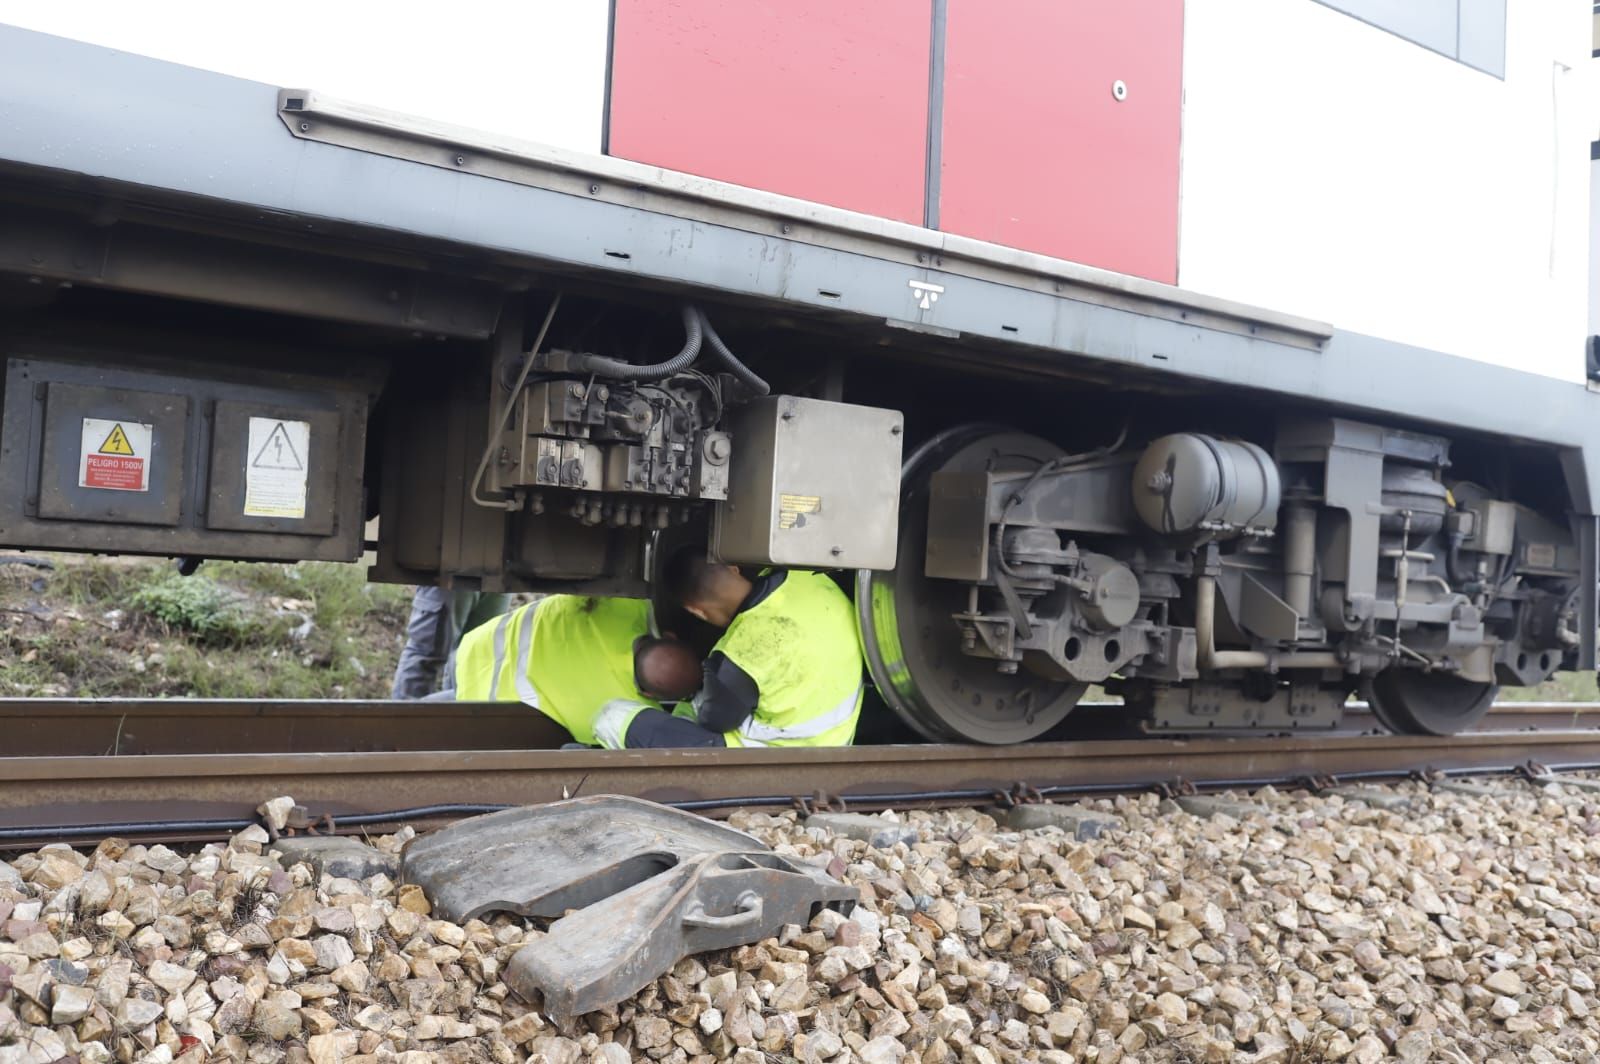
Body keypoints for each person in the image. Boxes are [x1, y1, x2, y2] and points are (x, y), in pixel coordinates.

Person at [592, 551, 863, 749]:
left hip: (786, 755)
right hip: (837, 734)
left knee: (613, 717)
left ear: (695, 611)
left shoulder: (740, 656)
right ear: (734, 568)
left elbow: (716, 721)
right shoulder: (803, 577)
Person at [453, 594, 701, 747]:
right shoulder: (616, 709)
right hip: (482, 687)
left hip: (480, 641)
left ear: (669, 636)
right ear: (649, 694)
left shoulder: (629, 605)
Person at [391, 586, 511, 699]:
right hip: (451, 573)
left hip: (502, 577)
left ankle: (456, 720)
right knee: (425, 657)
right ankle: (403, 719)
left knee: (477, 666)